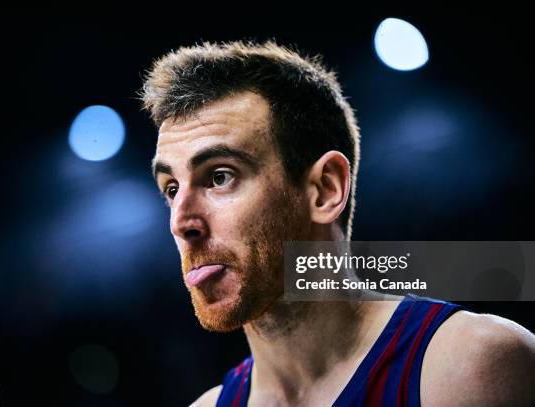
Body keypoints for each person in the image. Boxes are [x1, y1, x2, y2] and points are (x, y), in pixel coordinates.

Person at [141, 41, 535, 406]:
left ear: (325, 189)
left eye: (219, 176)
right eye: (172, 188)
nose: (181, 222)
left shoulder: (470, 368)